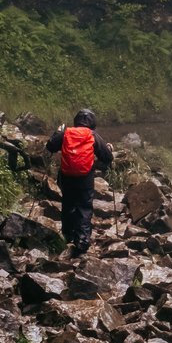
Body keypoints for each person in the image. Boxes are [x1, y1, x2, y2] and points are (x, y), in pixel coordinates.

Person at [46, 108, 113, 255]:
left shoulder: (67, 133)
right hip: (85, 177)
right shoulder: (93, 135)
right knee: (84, 207)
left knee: (68, 203)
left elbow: (50, 146)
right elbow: (107, 158)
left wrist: (57, 132)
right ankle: (82, 241)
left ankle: (67, 235)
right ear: (92, 123)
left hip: (66, 175)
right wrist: (109, 149)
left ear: (76, 121)